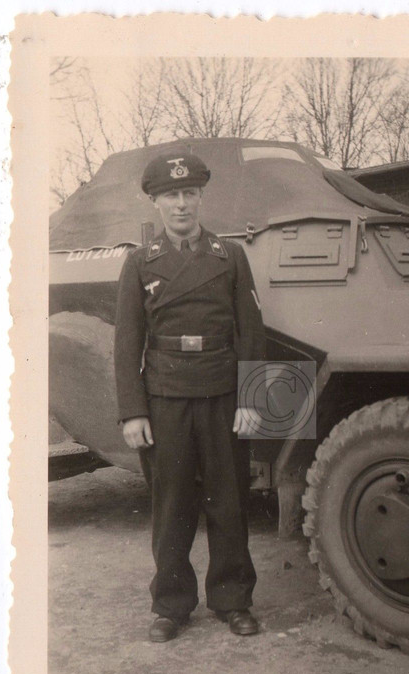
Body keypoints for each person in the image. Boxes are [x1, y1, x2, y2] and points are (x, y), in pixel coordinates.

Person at [114, 148, 265, 642]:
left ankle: (233, 600)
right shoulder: (140, 263)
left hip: (222, 391)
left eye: (189, 193)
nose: (181, 204)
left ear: (201, 197)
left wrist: (250, 400)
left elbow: (251, 333)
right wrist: (134, 411)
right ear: (156, 203)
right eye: (170, 195)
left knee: (229, 501)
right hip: (166, 396)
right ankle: (171, 605)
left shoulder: (230, 256)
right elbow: (127, 342)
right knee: (171, 503)